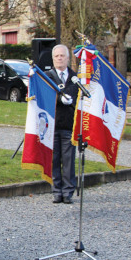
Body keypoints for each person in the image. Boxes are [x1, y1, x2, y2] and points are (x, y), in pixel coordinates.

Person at [45, 44, 78, 204]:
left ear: (67, 58)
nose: (59, 58)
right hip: (51, 125)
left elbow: (79, 97)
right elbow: (45, 95)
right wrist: (59, 98)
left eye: (62, 56)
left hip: (69, 125)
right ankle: (56, 191)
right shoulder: (47, 76)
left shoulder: (74, 77)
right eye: (57, 56)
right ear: (53, 58)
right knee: (54, 160)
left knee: (69, 160)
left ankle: (68, 192)